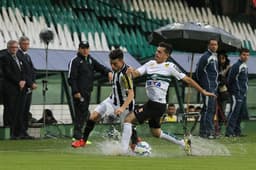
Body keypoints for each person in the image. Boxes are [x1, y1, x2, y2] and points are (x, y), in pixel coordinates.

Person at [120, 42, 216, 155]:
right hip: (153, 104)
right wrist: (129, 72)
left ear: (166, 55)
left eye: (160, 52)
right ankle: (183, 143)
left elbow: (188, 80)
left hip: (156, 105)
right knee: (156, 133)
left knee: (128, 119)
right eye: (156, 51)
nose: (157, 53)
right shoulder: (150, 64)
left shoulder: (169, 67)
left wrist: (203, 91)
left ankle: (123, 149)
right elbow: (136, 74)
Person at [71, 49, 135, 148]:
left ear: (121, 61)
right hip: (112, 100)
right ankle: (83, 141)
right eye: (111, 64)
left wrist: (122, 108)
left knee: (127, 127)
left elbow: (131, 94)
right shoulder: (115, 70)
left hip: (125, 105)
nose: (112, 67)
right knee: (93, 116)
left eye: (115, 64)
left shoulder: (126, 74)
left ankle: (135, 142)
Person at [68, 41, 113, 143]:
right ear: (79, 49)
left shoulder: (90, 60)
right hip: (79, 92)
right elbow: (71, 78)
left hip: (87, 92)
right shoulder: (75, 61)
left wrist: (108, 72)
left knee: (84, 113)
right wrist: (76, 91)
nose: (85, 50)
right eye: (83, 48)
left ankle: (79, 136)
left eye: (87, 48)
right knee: (81, 114)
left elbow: (100, 67)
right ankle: (77, 136)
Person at [1, 40, 26, 139]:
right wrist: (18, 81)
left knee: (18, 110)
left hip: (19, 88)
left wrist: (23, 80)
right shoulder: (4, 58)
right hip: (10, 88)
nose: (14, 49)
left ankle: (17, 132)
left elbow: (23, 70)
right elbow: (7, 73)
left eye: (16, 47)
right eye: (12, 47)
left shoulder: (19, 58)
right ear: (8, 48)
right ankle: (9, 132)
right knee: (10, 110)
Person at [195, 38, 219, 139]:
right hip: (207, 87)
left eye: (216, 45)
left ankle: (204, 132)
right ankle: (208, 132)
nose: (214, 46)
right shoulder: (205, 57)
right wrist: (203, 86)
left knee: (209, 109)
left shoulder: (214, 57)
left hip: (213, 87)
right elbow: (198, 72)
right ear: (208, 46)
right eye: (212, 44)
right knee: (208, 109)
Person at [225, 48, 250, 137]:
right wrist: (234, 92)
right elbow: (230, 80)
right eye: (244, 55)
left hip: (243, 94)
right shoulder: (236, 65)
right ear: (240, 55)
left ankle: (237, 132)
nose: (246, 57)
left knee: (240, 114)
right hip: (236, 94)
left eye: (247, 55)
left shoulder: (245, 66)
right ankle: (229, 132)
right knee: (234, 112)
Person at [17, 36, 37, 138]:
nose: (26, 46)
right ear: (19, 44)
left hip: (29, 88)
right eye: (24, 44)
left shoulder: (27, 56)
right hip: (22, 88)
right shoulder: (18, 55)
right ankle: (20, 131)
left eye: (27, 44)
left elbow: (32, 70)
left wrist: (34, 82)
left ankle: (24, 131)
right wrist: (30, 83)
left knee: (26, 110)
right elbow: (23, 72)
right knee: (21, 110)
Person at [215, 53, 230, 136]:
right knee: (214, 112)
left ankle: (219, 130)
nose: (221, 60)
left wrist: (223, 77)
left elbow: (227, 81)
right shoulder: (215, 67)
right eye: (220, 58)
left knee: (222, 112)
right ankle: (214, 129)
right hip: (215, 92)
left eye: (223, 58)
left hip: (223, 93)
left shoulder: (228, 68)